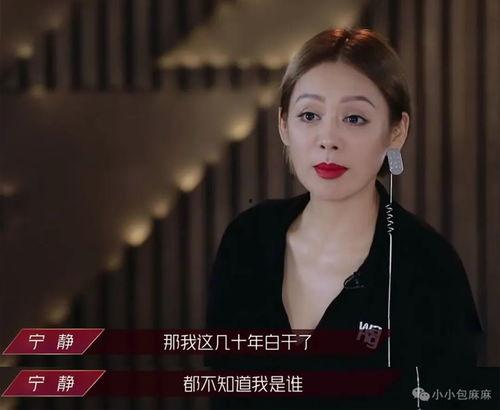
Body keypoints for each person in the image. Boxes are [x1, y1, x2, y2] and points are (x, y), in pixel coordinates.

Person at [204, 28, 484, 410]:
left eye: (354, 118)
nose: (328, 139)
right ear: (284, 124)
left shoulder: (429, 266)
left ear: (396, 132)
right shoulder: (247, 242)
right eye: (309, 115)